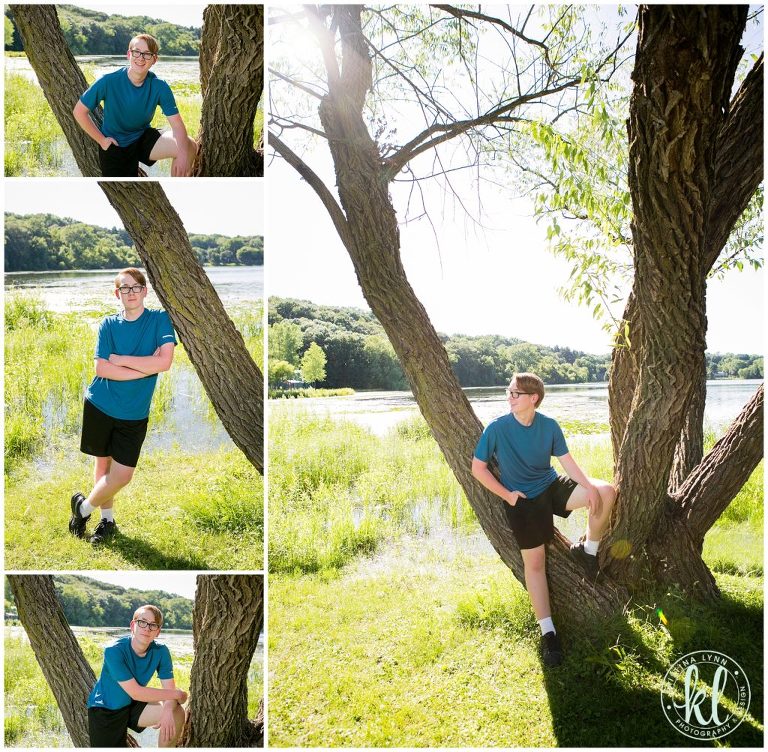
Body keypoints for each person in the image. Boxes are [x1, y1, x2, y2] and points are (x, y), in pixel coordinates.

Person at [471, 372, 616, 668]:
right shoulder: (497, 428)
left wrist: (589, 488)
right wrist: (508, 495)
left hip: (551, 486)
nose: (509, 398)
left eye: (515, 394)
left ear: (532, 398)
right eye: (509, 393)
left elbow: (567, 462)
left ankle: (588, 551)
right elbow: (478, 468)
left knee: (606, 492)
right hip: (522, 501)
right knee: (535, 564)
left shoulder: (549, 425)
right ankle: (549, 633)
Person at [69, 268, 176, 545]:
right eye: (124, 288)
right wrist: (144, 368)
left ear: (145, 291)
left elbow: (164, 362)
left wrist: (121, 359)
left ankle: (82, 509)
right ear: (117, 293)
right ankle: (107, 520)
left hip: (134, 412)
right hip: (100, 404)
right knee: (102, 465)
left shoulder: (159, 320)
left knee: (123, 475)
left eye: (136, 286)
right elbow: (102, 369)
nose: (131, 292)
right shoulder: (108, 324)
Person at [73, 33, 197, 177]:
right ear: (128, 54)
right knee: (120, 192)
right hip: (115, 145)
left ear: (154, 59)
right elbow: (79, 111)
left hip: (142, 138)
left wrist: (182, 156)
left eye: (147, 54)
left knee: (189, 146)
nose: (140, 58)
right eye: (136, 52)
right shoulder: (108, 81)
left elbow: (177, 126)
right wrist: (102, 140)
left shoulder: (160, 87)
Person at [88, 605, 187, 747]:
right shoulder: (113, 650)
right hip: (106, 709)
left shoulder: (161, 651)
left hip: (132, 705)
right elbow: (136, 692)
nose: (147, 628)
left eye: (153, 625)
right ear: (133, 625)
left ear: (158, 632)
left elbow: (169, 692)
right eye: (143, 622)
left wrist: (167, 709)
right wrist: (178, 694)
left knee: (176, 711)